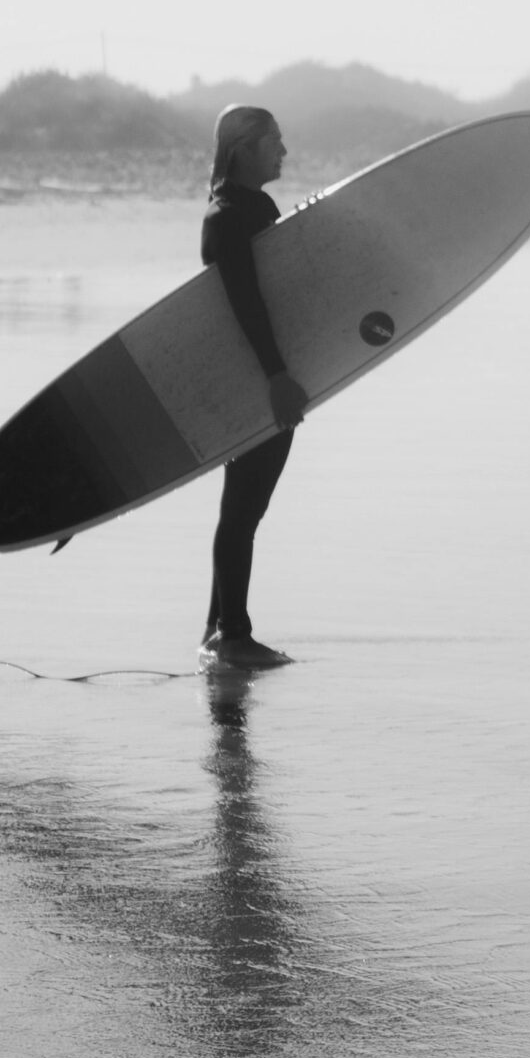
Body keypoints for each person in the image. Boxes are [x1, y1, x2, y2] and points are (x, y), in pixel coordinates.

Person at [200, 104, 306, 668]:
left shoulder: (252, 208)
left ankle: (217, 632)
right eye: (275, 141)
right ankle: (233, 637)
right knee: (241, 512)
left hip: (269, 376)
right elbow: (245, 304)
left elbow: (282, 288)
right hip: (254, 382)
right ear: (244, 148)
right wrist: (276, 378)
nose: (284, 151)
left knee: (244, 511)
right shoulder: (226, 218)